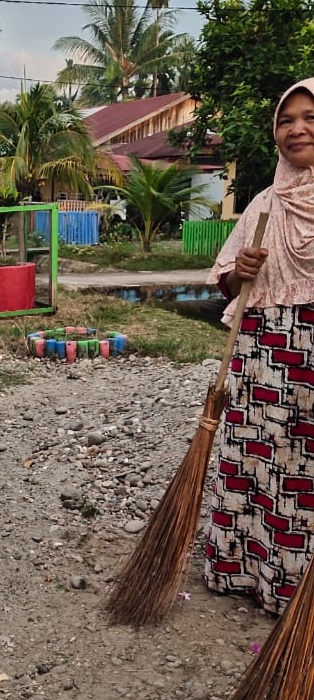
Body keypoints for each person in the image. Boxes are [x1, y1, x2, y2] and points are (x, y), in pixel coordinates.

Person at [204, 77, 314, 615]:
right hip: (266, 355)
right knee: (259, 460)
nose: (297, 129)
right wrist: (240, 270)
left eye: (310, 117)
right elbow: (227, 281)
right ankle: (246, 569)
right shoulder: (264, 204)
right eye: (286, 120)